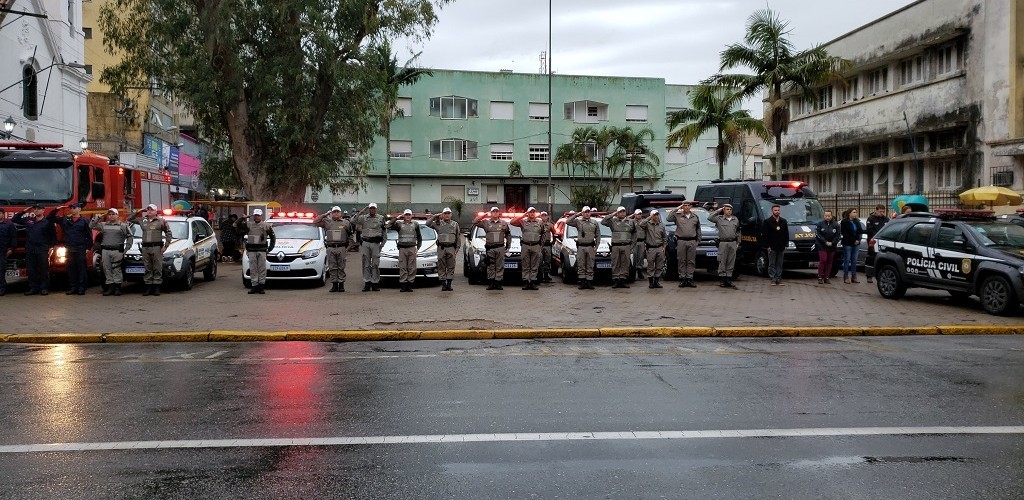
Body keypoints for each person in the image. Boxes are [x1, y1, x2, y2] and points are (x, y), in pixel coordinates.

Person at [129, 204, 173, 296]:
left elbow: (168, 233)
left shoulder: (161, 221)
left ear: (156, 211)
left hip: (156, 247)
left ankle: (156, 287)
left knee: (157, 267)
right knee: (147, 267)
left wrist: (166, 246)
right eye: (148, 209)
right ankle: (148, 287)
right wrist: (138, 211)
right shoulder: (143, 220)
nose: (149, 211)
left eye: (151, 210)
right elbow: (130, 219)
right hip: (145, 247)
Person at [13, 205, 56, 295]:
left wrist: (51, 246)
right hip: (30, 248)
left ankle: (44, 288)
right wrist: (24, 211)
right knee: (31, 270)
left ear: (43, 210)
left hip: (42, 248)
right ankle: (33, 288)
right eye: (35, 209)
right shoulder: (29, 220)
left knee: (43, 269)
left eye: (38, 209)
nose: (36, 211)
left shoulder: (48, 222)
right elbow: (15, 219)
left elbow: (53, 235)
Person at [90, 208, 133, 296]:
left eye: (113, 214)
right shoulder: (103, 225)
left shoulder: (123, 226)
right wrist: (97, 217)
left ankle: (117, 288)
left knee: (116, 269)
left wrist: (126, 249)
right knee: (107, 269)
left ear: (117, 215)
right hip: (105, 251)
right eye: (109, 214)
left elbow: (130, 236)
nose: (111, 216)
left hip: (117, 250)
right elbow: (91, 226)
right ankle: (110, 288)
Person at [51, 202, 92, 295]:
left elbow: (89, 236)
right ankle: (73, 287)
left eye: (74, 208)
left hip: (80, 248)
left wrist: (88, 248)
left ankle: (81, 288)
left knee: (81, 269)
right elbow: (50, 218)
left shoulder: (84, 221)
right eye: (71, 208)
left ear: (79, 209)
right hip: (69, 248)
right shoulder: (65, 220)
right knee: (71, 269)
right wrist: (56, 209)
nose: (72, 209)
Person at [314, 206, 354, 293]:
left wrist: (348, 248)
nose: (336, 213)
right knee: (332, 267)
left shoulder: (345, 223)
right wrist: (325, 214)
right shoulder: (327, 222)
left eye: (337, 212)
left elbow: (350, 235)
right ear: (331, 213)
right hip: (331, 247)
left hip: (341, 247)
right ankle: (334, 285)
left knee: (341, 267)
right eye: (334, 212)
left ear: (340, 213)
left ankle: (341, 285)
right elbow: (315, 222)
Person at [236, 209, 276, 294]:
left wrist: (270, 248)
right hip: (251, 250)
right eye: (255, 215)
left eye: (258, 215)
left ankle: (261, 286)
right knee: (253, 269)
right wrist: (243, 218)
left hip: (262, 250)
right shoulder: (249, 225)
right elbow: (235, 225)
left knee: (262, 268)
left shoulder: (266, 225)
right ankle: (254, 286)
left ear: (261, 216)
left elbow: (273, 237)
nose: (256, 217)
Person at [474, 207, 512, 290]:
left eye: (496, 211)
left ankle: (498, 282)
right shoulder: (486, 222)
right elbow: (475, 222)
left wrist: (508, 246)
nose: (495, 213)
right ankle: (491, 282)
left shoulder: (503, 223)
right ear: (491, 213)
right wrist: (484, 215)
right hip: (490, 248)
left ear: (499, 213)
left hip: (500, 247)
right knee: (490, 265)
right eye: (493, 211)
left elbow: (508, 234)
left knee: (499, 265)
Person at [352, 203, 386, 291]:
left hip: (376, 243)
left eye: (374, 208)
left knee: (375, 264)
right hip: (366, 242)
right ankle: (367, 282)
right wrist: (362, 211)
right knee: (366, 263)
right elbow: (353, 221)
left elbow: (384, 231)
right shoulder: (363, 218)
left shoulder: (381, 218)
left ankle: (375, 282)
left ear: (376, 209)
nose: (372, 210)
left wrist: (382, 245)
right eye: (371, 208)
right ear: (369, 209)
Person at [666, 202, 700, 288]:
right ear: (682, 207)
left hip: (692, 241)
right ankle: (682, 278)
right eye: (685, 206)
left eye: (688, 205)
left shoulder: (695, 217)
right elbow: (668, 218)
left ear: (691, 207)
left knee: (691, 261)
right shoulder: (678, 216)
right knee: (682, 260)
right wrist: (677, 208)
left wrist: (698, 241)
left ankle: (690, 278)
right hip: (681, 241)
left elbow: (698, 229)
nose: (687, 207)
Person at [388, 209, 423, 292]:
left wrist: (418, 248)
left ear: (411, 216)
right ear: (404, 216)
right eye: (406, 215)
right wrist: (397, 218)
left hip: (412, 248)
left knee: (412, 267)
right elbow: (389, 225)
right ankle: (403, 284)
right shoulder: (399, 224)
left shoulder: (415, 224)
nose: (407, 216)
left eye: (409, 215)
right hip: (402, 249)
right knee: (403, 267)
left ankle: (410, 284)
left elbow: (419, 237)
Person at [427, 207, 461, 291]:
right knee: (441, 266)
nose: (447, 215)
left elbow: (458, 237)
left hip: (451, 247)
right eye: (445, 213)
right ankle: (443, 284)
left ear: (451, 214)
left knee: (451, 266)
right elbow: (427, 224)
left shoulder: (455, 224)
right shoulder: (438, 224)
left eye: (448, 213)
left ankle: (449, 284)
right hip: (441, 248)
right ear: (442, 214)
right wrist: (435, 216)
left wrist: (457, 248)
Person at [601, 206, 636, 289]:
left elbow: (634, 234)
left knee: (625, 263)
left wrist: (632, 245)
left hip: (626, 245)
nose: (622, 213)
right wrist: (613, 214)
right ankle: (616, 279)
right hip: (616, 245)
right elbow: (603, 221)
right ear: (617, 213)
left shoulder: (630, 221)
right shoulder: (612, 221)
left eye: (623, 211)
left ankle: (623, 279)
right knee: (615, 263)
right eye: (620, 211)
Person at [566, 207, 600, 290]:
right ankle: (582, 282)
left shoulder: (594, 222)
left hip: (590, 246)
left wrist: (597, 246)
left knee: (590, 265)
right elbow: (568, 221)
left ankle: (589, 282)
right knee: (581, 264)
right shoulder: (578, 221)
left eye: (588, 212)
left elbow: (598, 235)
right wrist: (576, 215)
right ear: (582, 213)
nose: (587, 214)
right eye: (585, 212)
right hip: (581, 247)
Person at [510, 207, 544, 290]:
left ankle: (532, 281)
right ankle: (526, 282)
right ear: (527, 213)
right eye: (530, 212)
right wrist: (522, 215)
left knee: (534, 265)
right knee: (525, 265)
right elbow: (512, 222)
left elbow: (543, 233)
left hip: (536, 245)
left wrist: (541, 245)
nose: (532, 214)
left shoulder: (539, 222)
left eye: (533, 212)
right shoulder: (523, 221)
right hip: (525, 245)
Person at [707, 204, 740, 288]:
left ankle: (728, 279)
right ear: (724, 210)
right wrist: (719, 210)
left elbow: (738, 231)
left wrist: (738, 242)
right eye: (727, 209)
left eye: (730, 209)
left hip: (732, 242)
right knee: (722, 261)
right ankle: (722, 279)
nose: (729, 211)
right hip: (723, 242)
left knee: (731, 261)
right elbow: (710, 218)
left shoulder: (735, 219)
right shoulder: (719, 219)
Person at [762, 204, 789, 286]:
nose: (777, 212)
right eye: (775, 210)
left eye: (778, 210)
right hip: (772, 247)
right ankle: (773, 278)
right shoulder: (767, 222)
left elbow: (786, 234)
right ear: (772, 211)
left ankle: (778, 278)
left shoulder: (783, 221)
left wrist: (786, 244)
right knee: (772, 263)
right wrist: (767, 246)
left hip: (781, 246)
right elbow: (765, 235)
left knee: (779, 263)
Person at [639, 209, 667, 289]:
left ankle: (656, 281)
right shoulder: (647, 224)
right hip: (651, 248)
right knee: (650, 266)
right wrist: (649, 217)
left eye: (657, 215)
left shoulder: (661, 225)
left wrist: (664, 246)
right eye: (654, 215)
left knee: (659, 266)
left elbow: (664, 237)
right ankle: (651, 282)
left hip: (659, 247)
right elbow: (641, 224)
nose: (656, 216)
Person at [814, 209, 841, 284]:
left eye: (829, 216)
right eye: (826, 216)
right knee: (823, 260)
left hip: (832, 246)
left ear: (831, 216)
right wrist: (825, 241)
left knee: (829, 261)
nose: (827, 217)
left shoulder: (836, 225)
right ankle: (820, 276)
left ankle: (826, 277)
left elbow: (838, 235)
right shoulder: (820, 224)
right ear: (824, 216)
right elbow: (818, 234)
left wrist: (832, 242)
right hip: (822, 245)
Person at [865, 204, 889, 284]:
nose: (882, 213)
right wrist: (878, 236)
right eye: (880, 211)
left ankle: (881, 276)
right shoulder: (871, 219)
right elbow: (869, 230)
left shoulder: (886, 219)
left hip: (883, 242)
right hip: (873, 242)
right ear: (876, 210)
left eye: (883, 212)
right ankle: (869, 276)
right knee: (871, 258)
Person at [840, 208, 864, 284]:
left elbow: (860, 231)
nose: (855, 213)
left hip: (856, 244)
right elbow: (845, 233)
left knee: (854, 260)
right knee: (847, 260)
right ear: (849, 213)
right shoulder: (844, 222)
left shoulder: (857, 221)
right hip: (848, 243)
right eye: (854, 212)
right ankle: (846, 276)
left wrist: (858, 240)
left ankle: (854, 276)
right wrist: (853, 240)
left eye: (856, 212)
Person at [0, 207, 16, 296]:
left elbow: (13, 237)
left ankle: (1, 288)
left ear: (3, 214)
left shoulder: (9, 225)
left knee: (1, 270)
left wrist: (11, 249)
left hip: (2, 251)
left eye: (0, 213)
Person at [631, 209, 647, 280]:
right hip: (634, 241)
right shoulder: (632, 221)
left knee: (641, 257)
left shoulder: (643, 222)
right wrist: (632, 215)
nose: (639, 215)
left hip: (642, 241)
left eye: (640, 214)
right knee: (634, 256)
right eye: (637, 214)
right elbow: (625, 219)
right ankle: (633, 272)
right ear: (635, 214)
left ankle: (640, 271)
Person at [539, 211, 554, 283]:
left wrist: (553, 242)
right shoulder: (538, 224)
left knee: (547, 260)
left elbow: (554, 233)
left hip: (547, 245)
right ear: (540, 216)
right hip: (540, 245)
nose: (544, 217)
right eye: (542, 216)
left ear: (547, 217)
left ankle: (546, 275)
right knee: (539, 261)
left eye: (545, 216)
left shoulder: (550, 225)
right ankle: (539, 276)